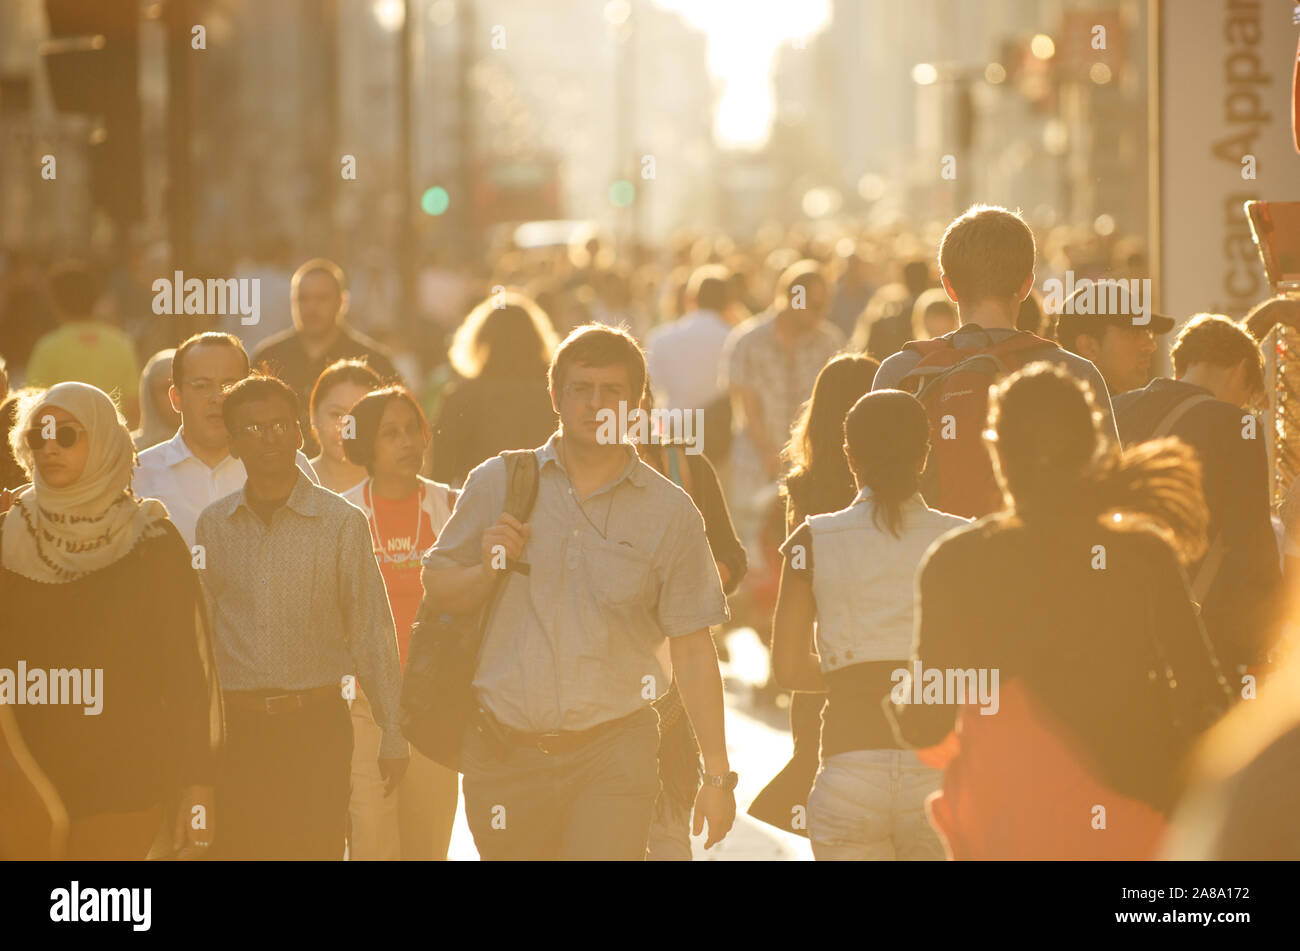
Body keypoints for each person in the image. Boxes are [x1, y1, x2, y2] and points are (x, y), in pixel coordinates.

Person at [886, 363, 1233, 860]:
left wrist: (897, 695)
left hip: (1009, 827)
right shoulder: (1143, 552)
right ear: (1092, 448)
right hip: (1135, 824)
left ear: (997, 453)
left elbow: (925, 723)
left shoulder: (957, 561)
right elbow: (1206, 704)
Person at [421, 324, 736, 860]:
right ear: (555, 397)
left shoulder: (671, 510)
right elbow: (439, 587)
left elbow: (692, 644)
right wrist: (486, 567)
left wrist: (716, 775)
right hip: (503, 755)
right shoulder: (497, 482)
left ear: (637, 402)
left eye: (612, 390)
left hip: (615, 753)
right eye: (581, 389)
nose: (596, 404)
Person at [0, 383, 220, 859]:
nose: (51, 445)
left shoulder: (152, 540)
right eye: (39, 435)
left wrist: (197, 785)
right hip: (23, 787)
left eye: (67, 434)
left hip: (125, 783)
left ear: (102, 440)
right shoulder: (8, 536)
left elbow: (186, 672)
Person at [195, 374, 407, 860]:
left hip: (316, 728)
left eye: (278, 425)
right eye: (251, 429)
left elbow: (372, 631)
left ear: (298, 433)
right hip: (239, 733)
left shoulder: (341, 523)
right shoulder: (214, 526)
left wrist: (393, 733)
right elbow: (200, 642)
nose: (268, 438)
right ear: (232, 443)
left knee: (316, 850)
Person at [772, 390, 969, 859]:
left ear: (849, 457)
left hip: (849, 770)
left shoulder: (812, 540)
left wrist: (858, 676)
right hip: (941, 774)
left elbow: (788, 669)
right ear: (925, 455)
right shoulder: (965, 538)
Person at [750, 353, 879, 839]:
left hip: (823, 663)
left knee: (826, 804)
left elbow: (798, 593)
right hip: (883, 660)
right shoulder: (901, 492)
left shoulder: (802, 493)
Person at [1111, 314, 1281, 677]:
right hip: (1201, 636)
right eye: (1249, 396)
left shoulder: (1118, 408)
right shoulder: (1235, 424)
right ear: (1239, 370)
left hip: (1118, 627)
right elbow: (1251, 544)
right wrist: (1266, 635)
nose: (1246, 406)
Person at [873, 205, 1120, 441]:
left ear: (949, 288)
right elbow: (1109, 481)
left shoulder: (899, 373)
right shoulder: (1075, 373)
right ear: (1026, 286)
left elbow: (874, 480)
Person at [340, 387, 460, 860]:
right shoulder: (342, 513)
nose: (407, 441)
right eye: (391, 433)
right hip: (365, 703)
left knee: (427, 845)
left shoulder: (454, 507)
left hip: (433, 701)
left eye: (413, 429)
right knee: (371, 839)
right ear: (366, 444)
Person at [632, 384, 748, 861]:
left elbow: (731, 557)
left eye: (626, 396)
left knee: (666, 844)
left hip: (670, 712)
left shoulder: (685, 467)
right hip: (583, 723)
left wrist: (702, 578)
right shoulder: (559, 480)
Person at [134, 332, 318, 547]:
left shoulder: (291, 464)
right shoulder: (140, 474)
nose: (217, 397)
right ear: (176, 398)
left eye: (229, 385)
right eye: (201, 386)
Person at [722, 260, 844, 552]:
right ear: (793, 298)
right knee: (751, 547)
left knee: (804, 546)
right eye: (814, 306)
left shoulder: (829, 342)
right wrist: (769, 452)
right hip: (754, 460)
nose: (821, 314)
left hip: (810, 463)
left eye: (825, 306)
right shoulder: (748, 341)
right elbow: (745, 405)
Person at [253, 258, 399, 454]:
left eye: (322, 299)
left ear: (342, 302)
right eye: (303, 299)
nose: (311, 308)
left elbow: (394, 426)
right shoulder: (267, 358)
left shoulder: (373, 361)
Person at [430, 291, 559, 487]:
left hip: (480, 509)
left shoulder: (461, 397)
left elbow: (440, 474)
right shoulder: (554, 397)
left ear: (482, 341)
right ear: (536, 340)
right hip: (547, 508)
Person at [24, 260, 141, 428]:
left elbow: (33, 405)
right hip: (113, 441)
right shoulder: (121, 342)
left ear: (55, 303)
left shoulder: (48, 347)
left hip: (65, 443)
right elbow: (134, 406)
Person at [645, 265, 735, 460]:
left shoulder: (660, 338)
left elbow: (650, 389)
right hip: (721, 440)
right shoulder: (734, 339)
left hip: (673, 435)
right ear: (728, 302)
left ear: (690, 299)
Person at [1054, 290, 1176, 396]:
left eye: (1148, 332)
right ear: (1089, 347)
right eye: (1134, 332)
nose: (1151, 346)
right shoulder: (1065, 417)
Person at [308, 358, 382, 494]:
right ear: (313, 414)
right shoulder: (291, 484)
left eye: (361, 416)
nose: (348, 428)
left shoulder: (396, 486)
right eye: (336, 415)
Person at [131, 349, 180, 450]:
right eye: (167, 388)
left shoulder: (214, 448)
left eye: (182, 387)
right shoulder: (132, 451)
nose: (177, 396)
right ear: (150, 394)